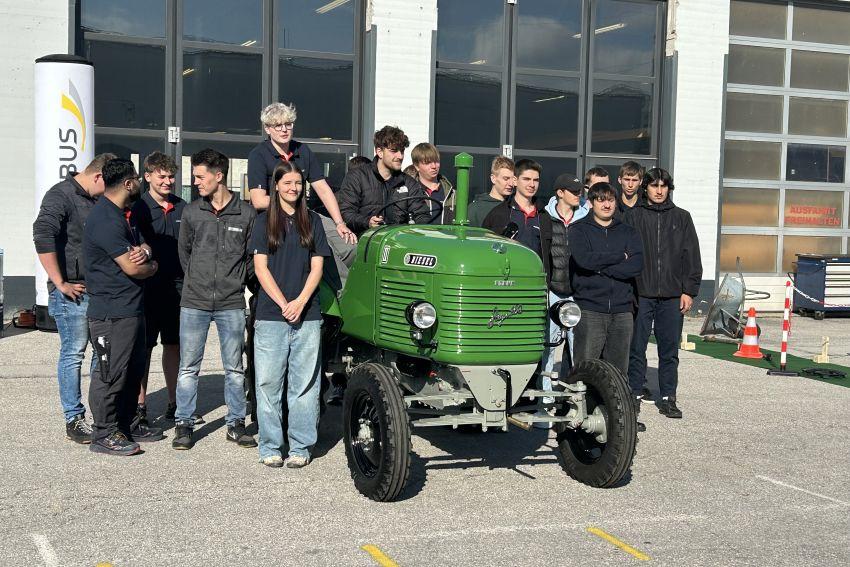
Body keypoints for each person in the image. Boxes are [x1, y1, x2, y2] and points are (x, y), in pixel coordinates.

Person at [172, 149, 257, 451]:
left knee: (234, 368)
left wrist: (235, 282)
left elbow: (251, 258)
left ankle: (236, 424)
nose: (195, 182)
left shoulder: (246, 214)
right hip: (194, 302)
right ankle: (184, 424)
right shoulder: (192, 212)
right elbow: (185, 253)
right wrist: (197, 279)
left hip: (231, 303)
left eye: (199, 176)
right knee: (188, 367)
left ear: (218, 176)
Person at [251, 161, 331, 468]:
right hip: (271, 315)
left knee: (305, 386)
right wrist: (285, 302)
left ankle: (300, 446)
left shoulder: (313, 221)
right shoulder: (263, 222)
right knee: (269, 383)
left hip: (307, 315)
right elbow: (260, 268)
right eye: (288, 183)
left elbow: (318, 267)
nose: (293, 188)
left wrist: (300, 302)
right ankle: (270, 445)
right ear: (276, 185)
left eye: (298, 183)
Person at [33, 152, 116, 443]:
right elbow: (42, 235)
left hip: (99, 290)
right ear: (97, 177)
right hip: (73, 292)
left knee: (101, 352)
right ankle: (73, 417)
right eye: (109, 185)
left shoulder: (99, 199)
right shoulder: (60, 196)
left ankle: (99, 413)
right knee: (74, 352)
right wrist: (60, 283)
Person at [83, 158, 163, 455]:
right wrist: (152, 266)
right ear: (128, 183)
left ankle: (126, 423)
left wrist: (145, 252)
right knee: (110, 374)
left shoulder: (122, 216)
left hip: (130, 309)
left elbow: (141, 249)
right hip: (111, 314)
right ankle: (103, 434)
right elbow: (133, 268)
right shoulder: (105, 218)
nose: (140, 183)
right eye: (137, 179)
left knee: (131, 371)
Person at [623, 168, 702, 421]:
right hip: (640, 294)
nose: (659, 191)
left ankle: (668, 397)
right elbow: (624, 253)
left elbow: (692, 256)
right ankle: (634, 394)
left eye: (663, 186)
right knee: (637, 347)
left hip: (671, 295)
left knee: (669, 350)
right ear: (645, 188)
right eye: (654, 185)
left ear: (669, 189)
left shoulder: (682, 218)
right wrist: (629, 289)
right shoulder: (633, 217)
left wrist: (689, 291)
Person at [247, 103, 356, 271]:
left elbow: (323, 189)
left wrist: (340, 223)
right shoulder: (259, 155)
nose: (284, 130)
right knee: (326, 253)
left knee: (350, 247)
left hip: (305, 213)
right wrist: (291, 202)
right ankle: (338, 290)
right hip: (275, 217)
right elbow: (258, 200)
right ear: (268, 129)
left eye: (288, 124)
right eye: (278, 125)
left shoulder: (302, 150)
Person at [130, 151, 189, 425]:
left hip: (177, 288)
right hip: (146, 288)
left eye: (171, 176)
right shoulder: (137, 209)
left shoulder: (183, 207)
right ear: (148, 176)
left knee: (174, 345)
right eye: (162, 176)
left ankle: (175, 403)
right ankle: (140, 407)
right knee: (144, 348)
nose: (167, 181)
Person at [569, 182, 643, 380]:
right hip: (590, 309)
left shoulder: (628, 232)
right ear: (591, 202)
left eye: (610, 200)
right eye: (601, 200)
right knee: (586, 369)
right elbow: (584, 260)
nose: (606, 205)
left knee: (618, 373)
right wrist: (619, 256)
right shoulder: (578, 230)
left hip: (622, 311)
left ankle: (614, 410)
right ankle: (583, 408)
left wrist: (600, 267)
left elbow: (636, 265)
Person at [337, 125, 431, 234]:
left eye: (402, 151)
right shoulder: (357, 177)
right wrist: (367, 222)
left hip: (398, 244)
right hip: (364, 242)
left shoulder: (409, 183)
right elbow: (346, 213)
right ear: (379, 152)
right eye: (394, 151)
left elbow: (422, 215)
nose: (400, 156)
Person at [542, 174, 590, 382]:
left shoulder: (587, 218)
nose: (578, 194)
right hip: (553, 292)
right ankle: (545, 399)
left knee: (579, 350)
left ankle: (575, 398)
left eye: (580, 191)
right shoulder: (544, 217)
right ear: (560, 193)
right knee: (548, 348)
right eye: (573, 191)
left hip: (579, 293)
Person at [483, 159, 549, 257]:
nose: (532, 184)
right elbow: (486, 251)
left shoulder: (544, 216)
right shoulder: (498, 213)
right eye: (526, 179)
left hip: (535, 272)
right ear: (515, 181)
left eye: (536, 180)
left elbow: (547, 256)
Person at [410, 142, 456, 224]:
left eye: (436, 161)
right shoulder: (410, 193)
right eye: (428, 163)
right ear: (417, 166)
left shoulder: (453, 194)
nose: (434, 166)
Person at [467, 156, 515, 227]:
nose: (511, 184)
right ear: (493, 179)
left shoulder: (516, 207)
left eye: (513, 179)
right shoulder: (475, 209)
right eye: (506, 179)